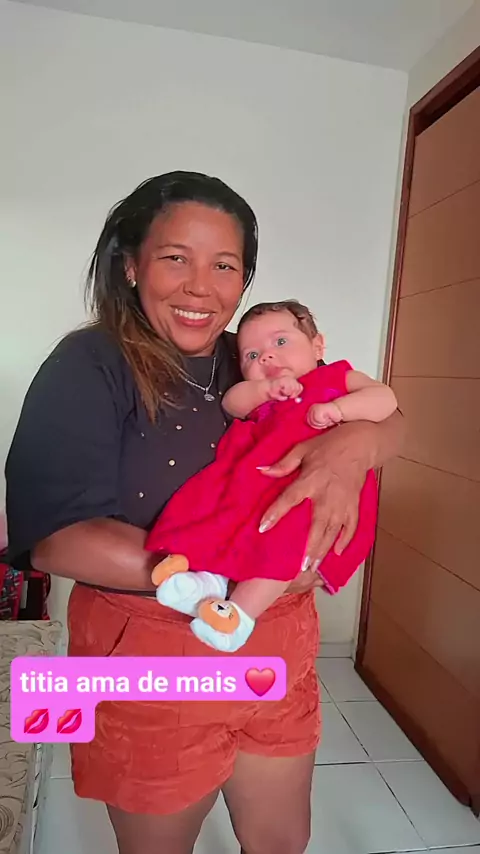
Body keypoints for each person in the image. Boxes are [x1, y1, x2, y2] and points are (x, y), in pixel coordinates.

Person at [5, 171, 404, 854]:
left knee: (281, 840)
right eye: (175, 258)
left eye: (224, 265)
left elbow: (393, 416)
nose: (200, 288)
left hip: (279, 633)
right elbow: (57, 539)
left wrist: (352, 448)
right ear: (130, 265)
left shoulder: (253, 357)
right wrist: (223, 584)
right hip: (152, 646)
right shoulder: (88, 363)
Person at [148, 299, 397, 652]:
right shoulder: (263, 395)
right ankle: (205, 581)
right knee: (213, 506)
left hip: (312, 486)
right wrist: (266, 390)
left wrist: (340, 409)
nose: (266, 356)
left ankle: (239, 616)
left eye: (280, 342)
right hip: (257, 479)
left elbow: (385, 398)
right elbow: (231, 402)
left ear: (318, 346)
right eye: (251, 355)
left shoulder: (336, 377)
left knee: (284, 537)